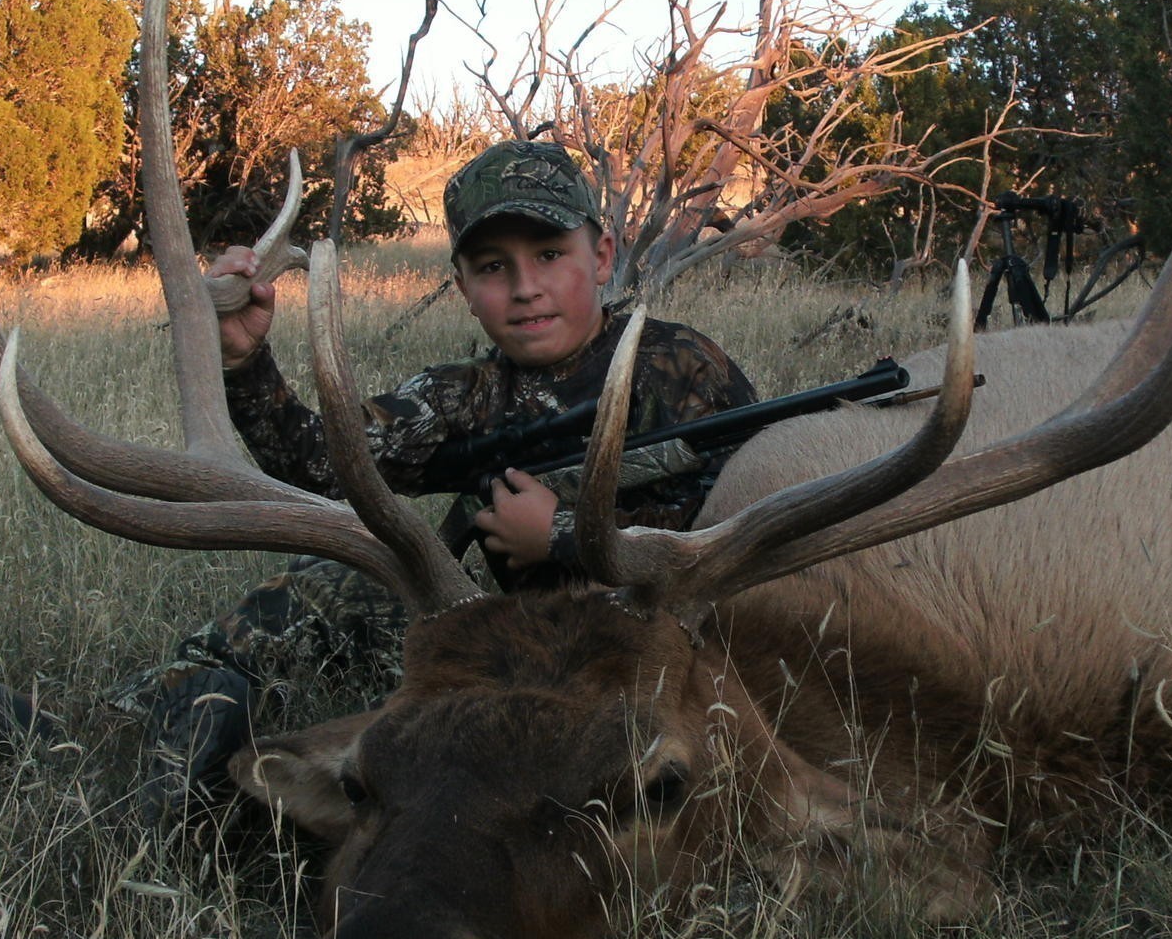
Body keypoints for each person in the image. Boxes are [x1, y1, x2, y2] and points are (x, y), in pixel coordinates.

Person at [115, 139, 758, 823]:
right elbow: (318, 463)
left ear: (600, 258)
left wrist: (560, 537)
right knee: (339, 578)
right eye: (492, 267)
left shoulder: (683, 364)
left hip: (659, 659)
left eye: (548, 254)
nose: (524, 286)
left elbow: (749, 519)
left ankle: (279, 808)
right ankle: (166, 714)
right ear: (463, 289)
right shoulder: (463, 397)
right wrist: (246, 362)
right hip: (510, 650)